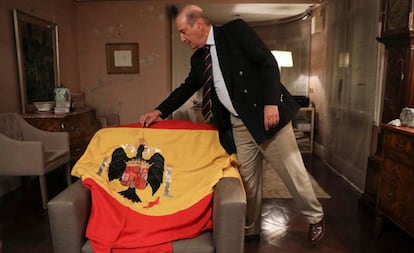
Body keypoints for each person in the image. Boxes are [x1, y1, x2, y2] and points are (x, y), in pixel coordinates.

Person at [140, 4, 325, 244]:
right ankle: (251, 228)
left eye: (183, 31)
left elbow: (267, 62)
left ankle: (315, 217)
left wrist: (271, 103)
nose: (181, 38)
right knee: (247, 182)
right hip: (238, 125)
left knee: (292, 172)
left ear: (199, 23)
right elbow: (186, 88)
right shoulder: (199, 59)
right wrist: (160, 110)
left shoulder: (234, 32)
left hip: (266, 118)